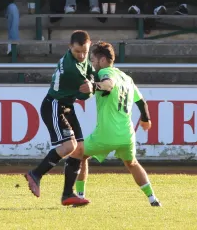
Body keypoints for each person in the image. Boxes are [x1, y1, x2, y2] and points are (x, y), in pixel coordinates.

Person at [68, 41, 161, 207]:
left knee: (78, 155)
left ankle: (80, 197)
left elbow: (108, 84)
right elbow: (141, 102)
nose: (92, 63)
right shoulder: (126, 78)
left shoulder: (104, 72)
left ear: (102, 60)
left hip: (107, 133)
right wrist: (146, 119)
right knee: (132, 163)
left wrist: (94, 85)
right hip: (126, 134)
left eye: (94, 59)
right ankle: (153, 199)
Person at [24, 30, 94, 207]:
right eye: (78, 51)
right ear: (70, 47)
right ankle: (36, 174)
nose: (82, 55)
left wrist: (92, 82)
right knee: (69, 146)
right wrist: (94, 86)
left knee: (80, 149)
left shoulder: (81, 59)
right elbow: (85, 95)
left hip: (66, 106)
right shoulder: (71, 68)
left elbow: (92, 74)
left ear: (89, 45)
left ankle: (67, 195)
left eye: (85, 51)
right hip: (54, 105)